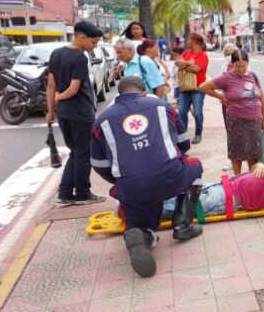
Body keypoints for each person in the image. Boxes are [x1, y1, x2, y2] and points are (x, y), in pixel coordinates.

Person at [90, 77, 204, 278]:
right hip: (170, 177)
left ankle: (143, 235)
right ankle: (182, 225)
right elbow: (184, 143)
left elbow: (99, 165)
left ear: (119, 95)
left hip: (131, 187)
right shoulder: (162, 106)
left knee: (141, 219)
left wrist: (122, 179)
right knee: (195, 166)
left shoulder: (101, 121)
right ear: (143, 92)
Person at [46, 21, 106, 206]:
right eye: (93, 43)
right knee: (83, 154)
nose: (94, 47)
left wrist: (50, 111)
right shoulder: (79, 57)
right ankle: (82, 193)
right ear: (82, 37)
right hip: (79, 112)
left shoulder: (56, 54)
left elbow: (51, 84)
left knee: (75, 152)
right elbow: (73, 89)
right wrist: (58, 98)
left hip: (64, 114)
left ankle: (64, 193)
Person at [198, 50, 264, 176]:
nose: (241, 69)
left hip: (255, 120)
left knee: (253, 153)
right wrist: (222, 98)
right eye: (237, 66)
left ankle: (251, 181)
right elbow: (203, 87)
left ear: (248, 64)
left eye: (244, 66)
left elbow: (262, 98)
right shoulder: (226, 77)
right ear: (232, 64)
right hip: (236, 120)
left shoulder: (253, 76)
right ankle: (237, 179)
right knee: (236, 152)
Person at [162, 154, 264, 218]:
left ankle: (147, 214)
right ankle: (149, 202)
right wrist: (261, 165)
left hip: (227, 198)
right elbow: (256, 170)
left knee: (184, 205)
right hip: (222, 187)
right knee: (180, 192)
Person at [175, 33, 210, 144]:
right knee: (181, 111)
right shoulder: (186, 52)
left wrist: (184, 64)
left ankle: (198, 134)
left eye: (189, 40)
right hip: (184, 87)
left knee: (197, 112)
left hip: (198, 88)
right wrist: (189, 63)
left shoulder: (203, 55)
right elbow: (177, 62)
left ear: (195, 41)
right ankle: (183, 134)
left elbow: (196, 69)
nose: (187, 42)